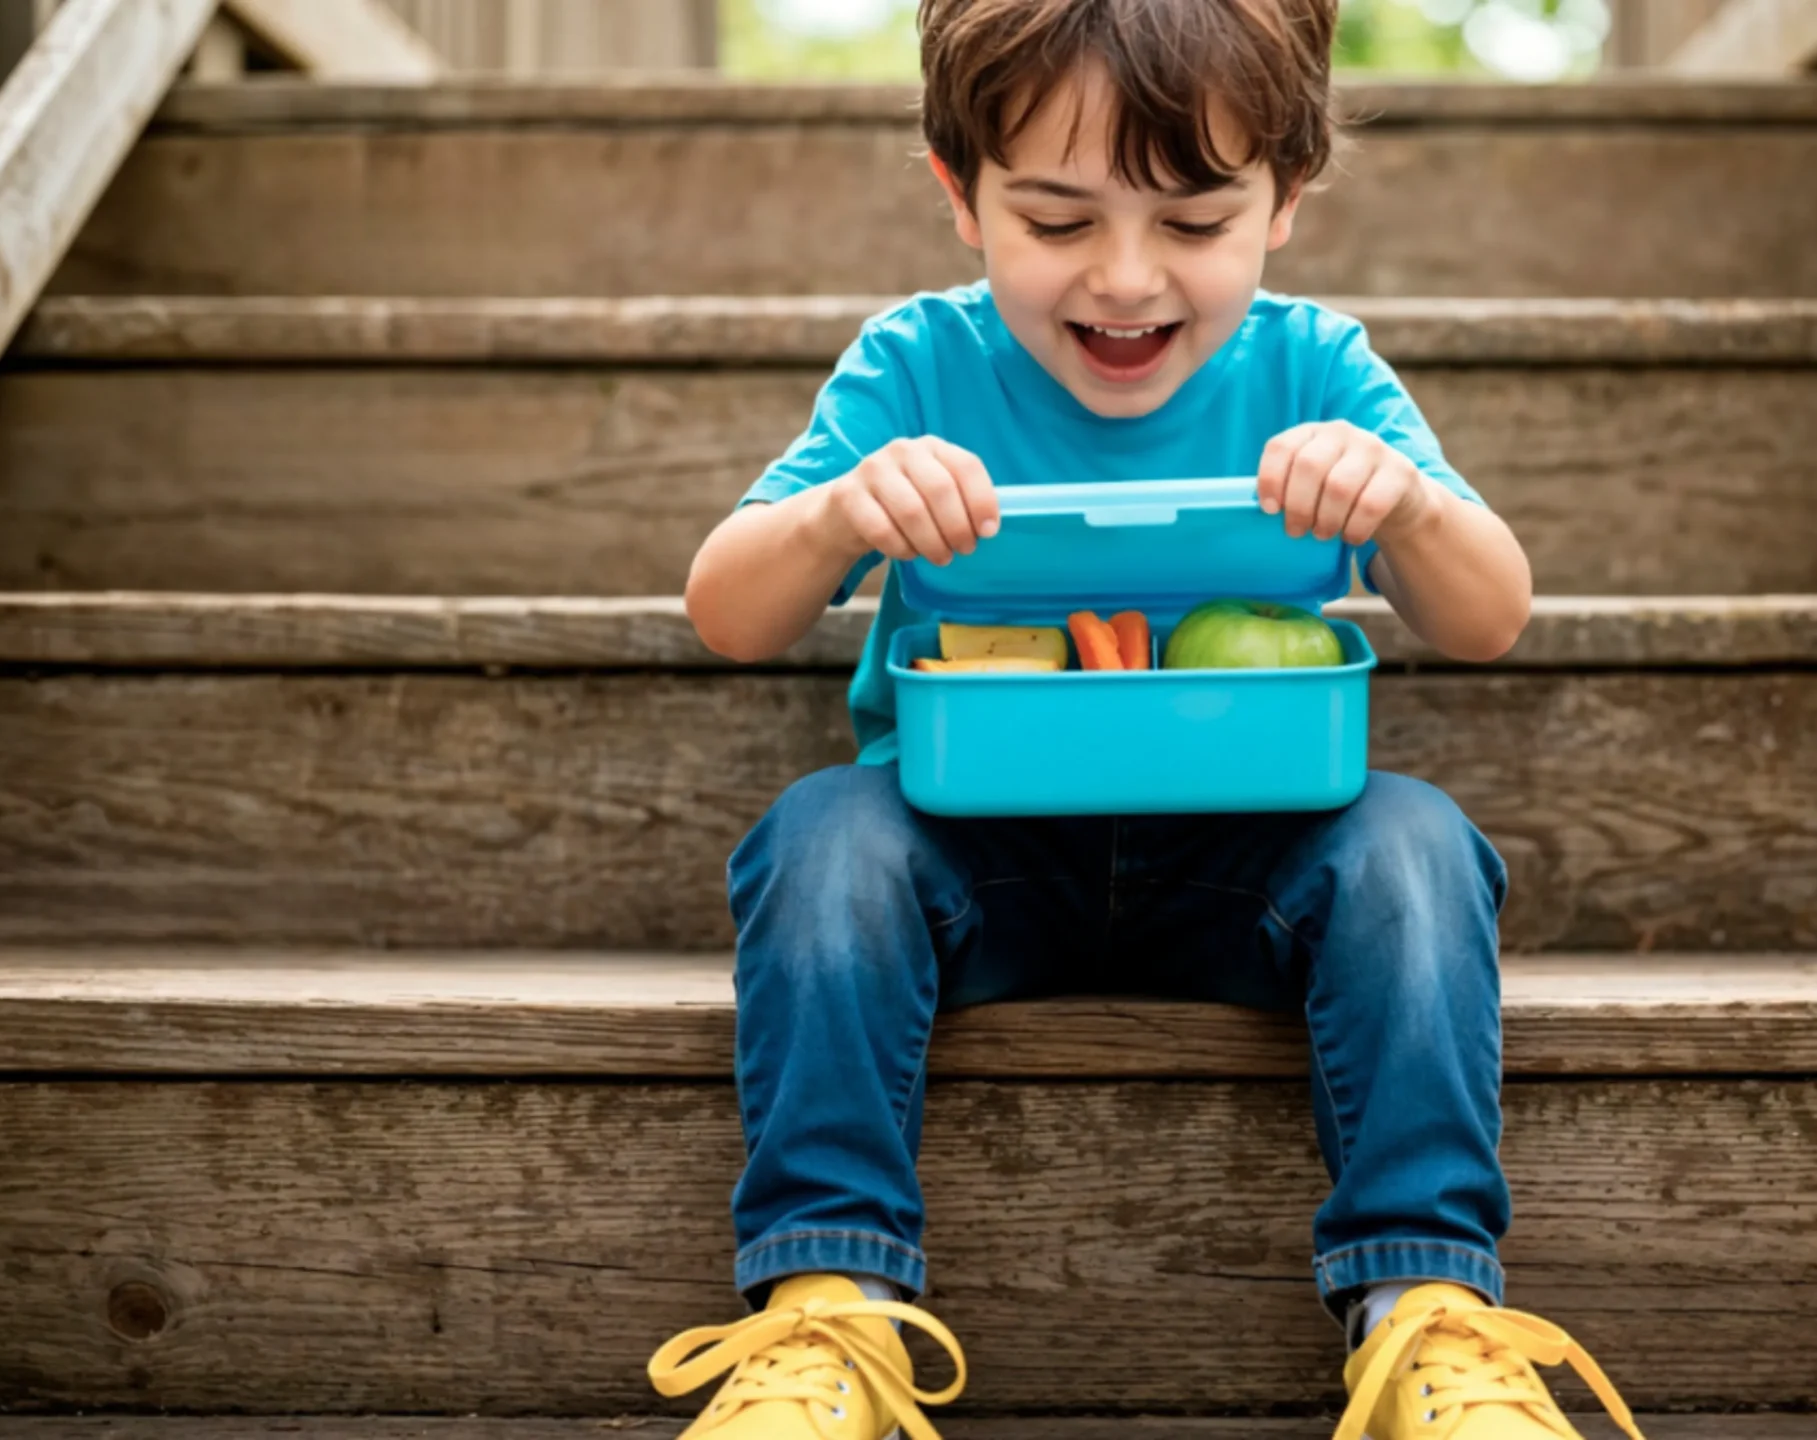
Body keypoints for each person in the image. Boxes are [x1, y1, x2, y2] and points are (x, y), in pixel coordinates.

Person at [657, 0, 1646, 1435]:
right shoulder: (919, 366)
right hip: (966, 851)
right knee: (820, 842)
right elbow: (727, 611)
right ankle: (825, 1316)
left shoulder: (1317, 369)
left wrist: (1406, 501)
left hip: (1264, 862)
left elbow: (1489, 614)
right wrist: (836, 514)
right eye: (1057, 223)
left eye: (1192, 223)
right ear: (960, 194)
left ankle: (1428, 1312)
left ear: (1285, 201)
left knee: (1418, 845)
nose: (1126, 280)